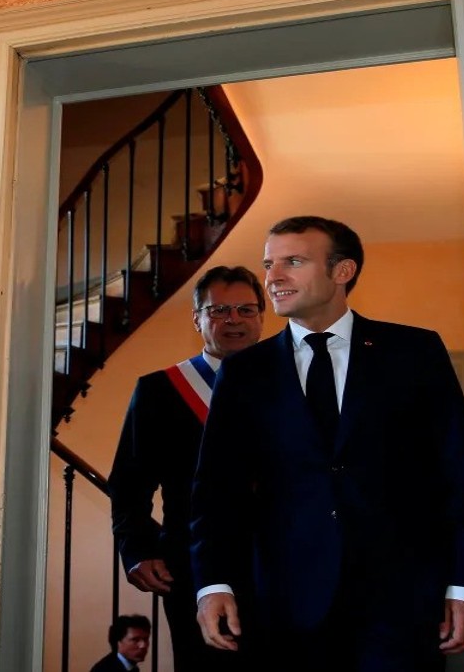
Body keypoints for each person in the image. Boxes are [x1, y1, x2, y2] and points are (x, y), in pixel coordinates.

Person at [189, 216, 464, 670]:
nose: (273, 277)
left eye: (292, 261)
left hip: (402, 602)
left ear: (343, 271)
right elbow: (216, 490)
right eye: (269, 264)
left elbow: (458, 472)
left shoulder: (414, 352)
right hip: (284, 606)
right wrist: (212, 583)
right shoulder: (243, 372)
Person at [108, 265, 264, 670]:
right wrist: (137, 549)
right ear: (197, 319)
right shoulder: (161, 390)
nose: (234, 320)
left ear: (263, 317)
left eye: (246, 310)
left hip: (286, 562)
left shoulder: (292, 383)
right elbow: (129, 483)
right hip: (194, 565)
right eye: (219, 310)